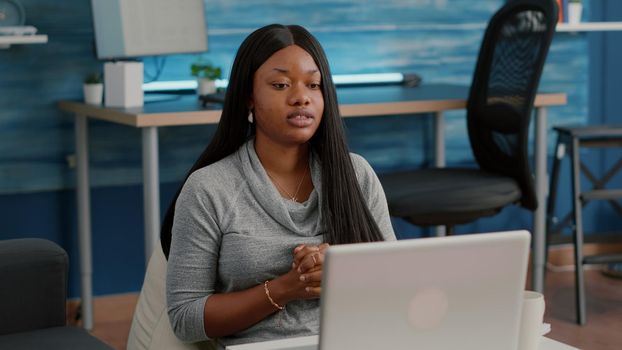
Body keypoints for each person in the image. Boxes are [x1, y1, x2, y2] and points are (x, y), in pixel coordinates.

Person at [162, 24, 396, 349]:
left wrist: (345, 270)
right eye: (281, 84)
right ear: (249, 99)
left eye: (314, 85)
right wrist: (288, 287)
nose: (301, 97)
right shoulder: (208, 188)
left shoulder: (356, 174)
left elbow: (396, 285)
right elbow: (185, 318)